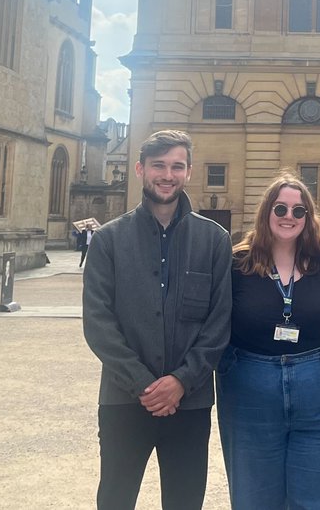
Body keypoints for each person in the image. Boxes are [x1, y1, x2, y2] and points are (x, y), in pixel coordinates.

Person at [82, 130, 233, 510]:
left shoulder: (214, 240)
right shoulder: (108, 241)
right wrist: (145, 385)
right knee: (115, 499)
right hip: (124, 398)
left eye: (176, 166)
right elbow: (99, 325)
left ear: (188, 172)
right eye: (158, 166)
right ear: (140, 169)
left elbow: (219, 323)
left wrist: (181, 381)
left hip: (191, 401)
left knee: (185, 502)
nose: (168, 175)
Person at [216, 171, 320, 510]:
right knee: (255, 496)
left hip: (317, 389)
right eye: (280, 209)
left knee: (317, 496)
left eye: (298, 211)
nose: (289, 217)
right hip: (251, 385)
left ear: (308, 218)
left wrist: (311, 362)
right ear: (267, 213)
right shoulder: (237, 264)